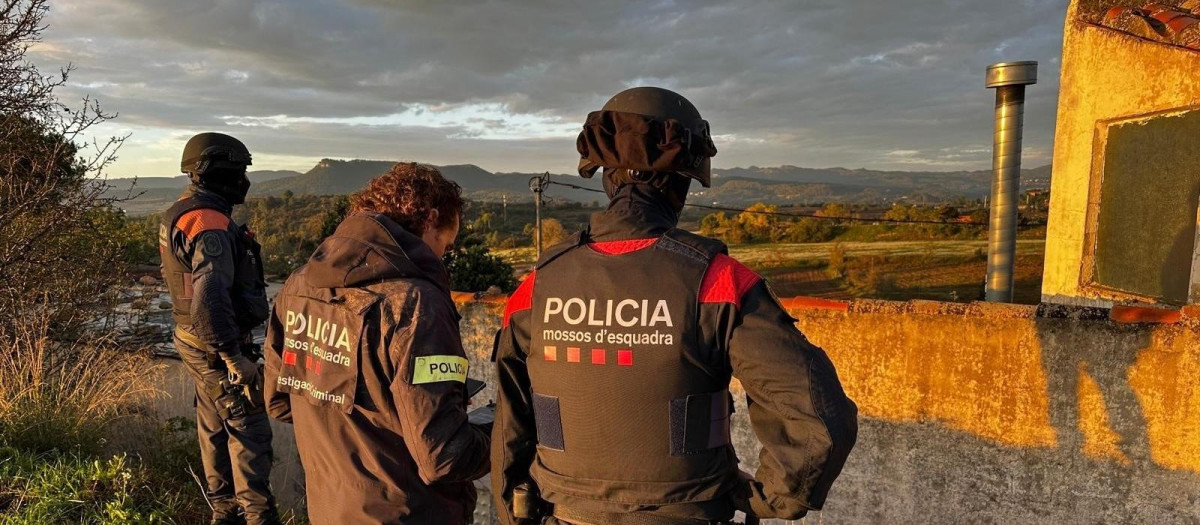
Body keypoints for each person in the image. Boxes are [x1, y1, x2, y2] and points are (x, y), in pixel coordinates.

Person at [491, 87, 859, 524]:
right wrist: (770, 498)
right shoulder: (719, 283)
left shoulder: (536, 287)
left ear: (607, 174)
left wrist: (514, 512)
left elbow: (510, 427)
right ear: (682, 180)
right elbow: (821, 418)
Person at [264, 163, 491, 524]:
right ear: (431, 219)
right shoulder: (416, 305)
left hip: (330, 509)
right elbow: (444, 456)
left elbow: (281, 400)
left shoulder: (298, 286)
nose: (441, 259)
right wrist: (500, 429)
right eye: (445, 246)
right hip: (410, 512)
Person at [159, 132, 279, 525]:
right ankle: (257, 516)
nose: (245, 179)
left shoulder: (183, 210)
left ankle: (224, 511)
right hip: (214, 344)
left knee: (213, 420)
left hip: (193, 338)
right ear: (220, 169)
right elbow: (209, 296)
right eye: (241, 169)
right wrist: (234, 356)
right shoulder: (209, 222)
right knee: (249, 429)